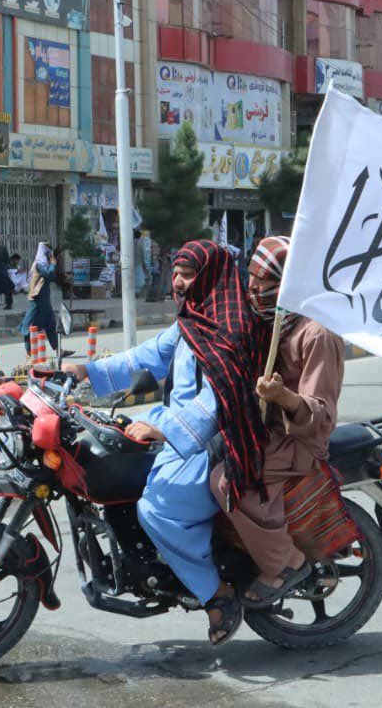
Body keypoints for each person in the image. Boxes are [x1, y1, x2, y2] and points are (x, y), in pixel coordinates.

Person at [63, 240, 269, 645]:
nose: (177, 281)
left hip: (220, 439)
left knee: (157, 508)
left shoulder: (234, 326)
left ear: (211, 277)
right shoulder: (192, 322)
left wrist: (167, 428)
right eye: (175, 272)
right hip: (178, 429)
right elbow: (145, 358)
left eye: (187, 274)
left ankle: (217, 595)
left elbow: (219, 400)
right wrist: (87, 370)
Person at [210, 236, 345, 608]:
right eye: (250, 278)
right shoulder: (274, 321)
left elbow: (322, 414)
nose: (252, 288)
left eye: (262, 281)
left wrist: (282, 397)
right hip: (265, 431)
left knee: (225, 482)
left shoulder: (317, 334)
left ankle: (286, 562)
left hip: (298, 442)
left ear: (287, 285)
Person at [18, 243, 73, 359]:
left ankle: (59, 350)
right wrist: (53, 264)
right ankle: (29, 352)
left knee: (50, 324)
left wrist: (64, 276)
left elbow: (53, 276)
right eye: (48, 254)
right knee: (31, 326)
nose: (50, 256)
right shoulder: (39, 264)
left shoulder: (45, 265)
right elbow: (49, 274)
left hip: (45, 299)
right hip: (37, 301)